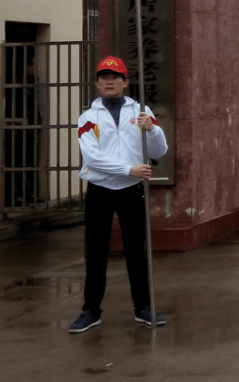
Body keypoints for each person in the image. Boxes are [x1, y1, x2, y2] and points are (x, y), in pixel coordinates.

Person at [69, 56, 168, 334]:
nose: (108, 80)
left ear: (125, 81)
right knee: (97, 252)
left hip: (130, 191)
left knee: (136, 251)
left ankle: (144, 308)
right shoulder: (88, 118)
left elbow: (159, 151)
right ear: (98, 83)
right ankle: (91, 311)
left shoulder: (141, 112)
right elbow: (91, 157)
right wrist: (128, 169)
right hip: (101, 190)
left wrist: (152, 130)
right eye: (103, 76)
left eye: (114, 76)